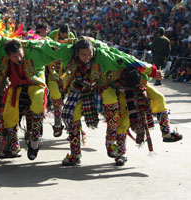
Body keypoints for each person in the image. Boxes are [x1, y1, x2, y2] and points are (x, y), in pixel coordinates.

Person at [61, 38, 182, 166]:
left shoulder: (108, 58)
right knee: (73, 114)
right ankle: (75, 153)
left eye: (89, 54)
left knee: (125, 116)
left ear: (94, 51)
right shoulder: (70, 58)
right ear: (76, 53)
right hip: (90, 89)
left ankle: (123, 151)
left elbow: (132, 61)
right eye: (83, 54)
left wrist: (152, 72)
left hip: (128, 90)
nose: (87, 57)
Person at [0, 39, 73, 160]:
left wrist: (75, 47)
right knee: (9, 112)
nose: (19, 58)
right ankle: (13, 145)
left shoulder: (35, 53)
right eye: (14, 57)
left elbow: (56, 50)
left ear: (23, 49)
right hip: (16, 86)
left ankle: (35, 140)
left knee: (38, 101)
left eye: (20, 54)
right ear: (8, 56)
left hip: (35, 84)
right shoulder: (2, 53)